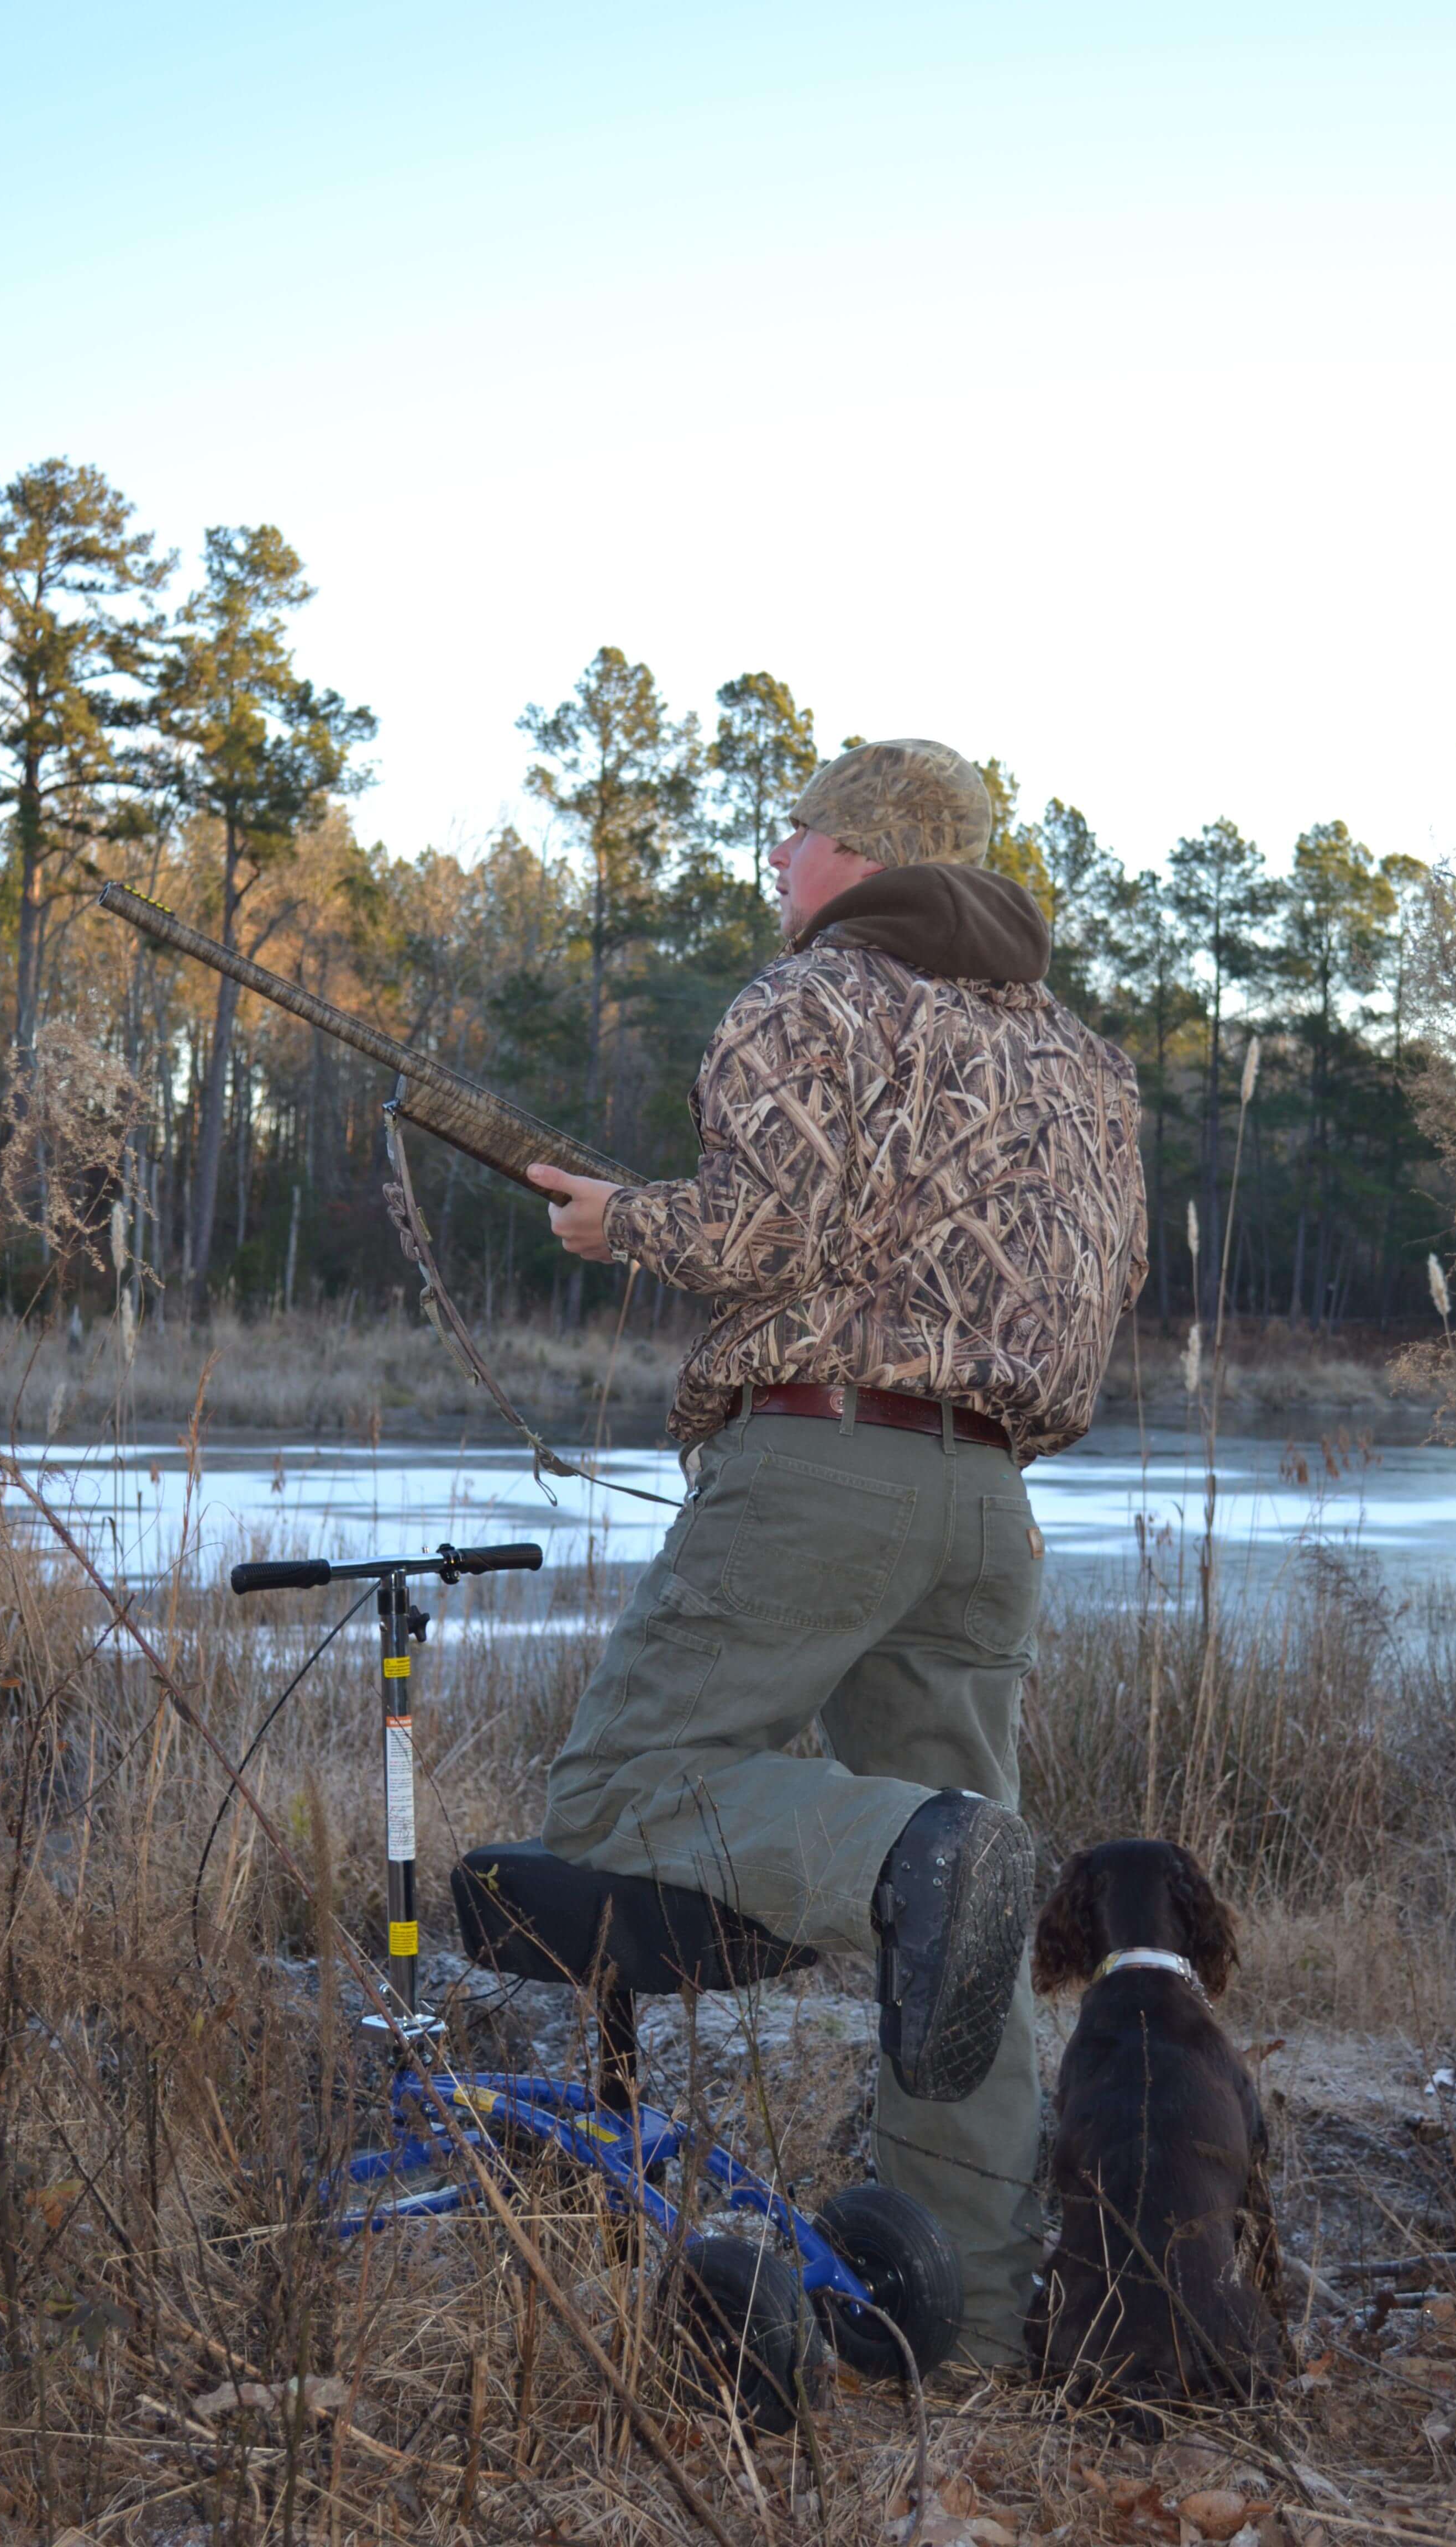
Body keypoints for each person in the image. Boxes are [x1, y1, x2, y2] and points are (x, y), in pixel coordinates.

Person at [527, 737, 1147, 2365]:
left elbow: (758, 1234)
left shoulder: (815, 997)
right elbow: (1103, 1277)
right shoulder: (1075, 1054)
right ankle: (977, 2323)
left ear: (859, 859)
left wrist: (619, 1223)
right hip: (989, 1504)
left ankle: (902, 1856)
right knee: (977, 1930)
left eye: (796, 839)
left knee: (613, 1795)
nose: (780, 867)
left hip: (822, 1460)